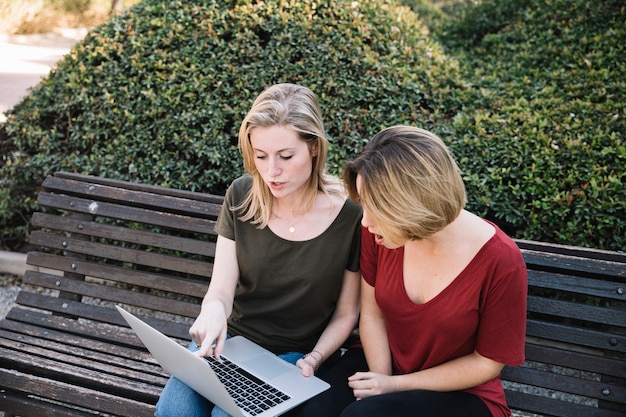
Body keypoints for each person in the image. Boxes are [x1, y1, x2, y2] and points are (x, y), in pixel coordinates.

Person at [155, 83, 366, 417]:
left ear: (313, 148)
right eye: (261, 156)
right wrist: (212, 313)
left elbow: (346, 314)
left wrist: (315, 358)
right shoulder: (241, 194)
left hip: (294, 357)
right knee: (174, 414)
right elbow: (221, 290)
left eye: (285, 156)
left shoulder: (350, 214)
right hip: (228, 344)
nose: (271, 172)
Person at [339, 126, 528, 417]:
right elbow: (373, 313)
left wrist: (394, 387)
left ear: (412, 205)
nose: (365, 222)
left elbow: (486, 363)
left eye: (377, 208)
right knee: (313, 407)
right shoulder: (381, 233)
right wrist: (383, 383)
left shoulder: (501, 261)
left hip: (463, 394)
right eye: (364, 204)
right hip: (384, 364)